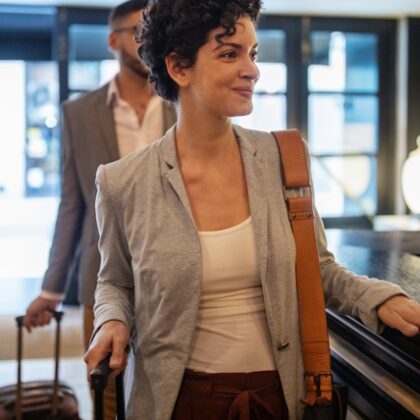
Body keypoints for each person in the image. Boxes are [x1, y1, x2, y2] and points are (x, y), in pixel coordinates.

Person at [84, 0, 420, 418]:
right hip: (176, 400)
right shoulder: (123, 181)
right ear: (178, 68)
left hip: (279, 396)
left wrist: (380, 298)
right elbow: (114, 282)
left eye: (253, 53)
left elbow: (318, 268)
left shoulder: (284, 158)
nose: (252, 70)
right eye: (230, 54)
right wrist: (112, 321)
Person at [23, 0, 176, 418]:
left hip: (176, 276)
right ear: (113, 40)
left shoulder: (183, 106)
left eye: (154, 31)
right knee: (107, 394)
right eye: (137, 31)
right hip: (103, 276)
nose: (148, 41)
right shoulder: (78, 113)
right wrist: (52, 289)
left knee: (170, 389)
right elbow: (71, 204)